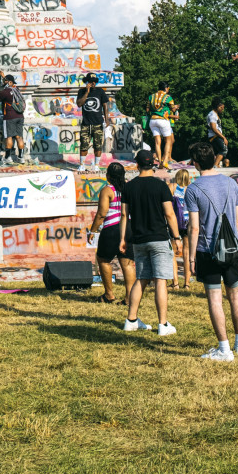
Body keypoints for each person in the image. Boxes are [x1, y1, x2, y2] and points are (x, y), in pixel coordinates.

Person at [185, 141, 238, 360]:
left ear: (195, 163)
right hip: (232, 248)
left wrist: (191, 258)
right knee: (235, 295)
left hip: (207, 249)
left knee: (215, 299)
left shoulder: (193, 189)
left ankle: (223, 349)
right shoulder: (231, 184)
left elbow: (193, 227)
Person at [119, 149, 182, 335]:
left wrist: (122, 238)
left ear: (137, 165)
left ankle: (131, 320)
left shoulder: (129, 187)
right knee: (161, 280)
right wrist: (176, 237)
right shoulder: (160, 186)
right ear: (153, 164)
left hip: (139, 239)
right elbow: (169, 214)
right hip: (159, 238)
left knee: (141, 279)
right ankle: (163, 324)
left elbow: (124, 214)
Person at [87, 162, 136, 305]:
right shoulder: (130, 188)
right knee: (127, 263)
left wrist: (93, 230)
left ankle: (109, 294)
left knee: (103, 259)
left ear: (108, 175)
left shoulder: (107, 190)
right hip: (129, 227)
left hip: (112, 228)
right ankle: (129, 298)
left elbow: (102, 214)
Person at [76, 73, 110, 170]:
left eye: (94, 81)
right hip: (86, 123)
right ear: (87, 82)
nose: (93, 83)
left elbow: (105, 105)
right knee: (83, 145)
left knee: (98, 145)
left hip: (98, 123)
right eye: (91, 81)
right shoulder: (82, 91)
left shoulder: (100, 91)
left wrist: (106, 119)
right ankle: (82, 165)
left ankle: (96, 165)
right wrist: (87, 92)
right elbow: (79, 104)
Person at [147, 82, 179, 168]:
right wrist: (176, 107)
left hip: (153, 120)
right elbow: (172, 108)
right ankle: (164, 161)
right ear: (166, 88)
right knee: (168, 141)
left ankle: (160, 161)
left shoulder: (151, 96)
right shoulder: (168, 97)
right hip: (163, 120)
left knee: (157, 142)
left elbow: (147, 109)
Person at [170, 168, 192, 291]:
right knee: (187, 253)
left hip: (175, 223)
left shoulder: (172, 187)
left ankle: (176, 283)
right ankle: (187, 283)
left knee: (173, 252)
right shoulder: (190, 189)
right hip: (188, 222)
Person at [0, 74, 25, 164]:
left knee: (9, 137)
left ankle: (8, 158)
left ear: (9, 82)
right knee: (19, 137)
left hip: (9, 117)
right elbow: (10, 81)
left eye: (5, 81)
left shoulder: (5, 92)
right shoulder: (16, 90)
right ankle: (21, 157)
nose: (3, 82)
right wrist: (3, 75)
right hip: (20, 117)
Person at [206, 99, 227, 168]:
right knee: (223, 150)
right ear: (217, 106)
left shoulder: (214, 114)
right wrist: (223, 137)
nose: (222, 109)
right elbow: (213, 128)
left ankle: (216, 164)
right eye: (221, 108)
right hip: (215, 136)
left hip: (215, 136)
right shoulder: (212, 115)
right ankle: (215, 165)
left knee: (215, 152)